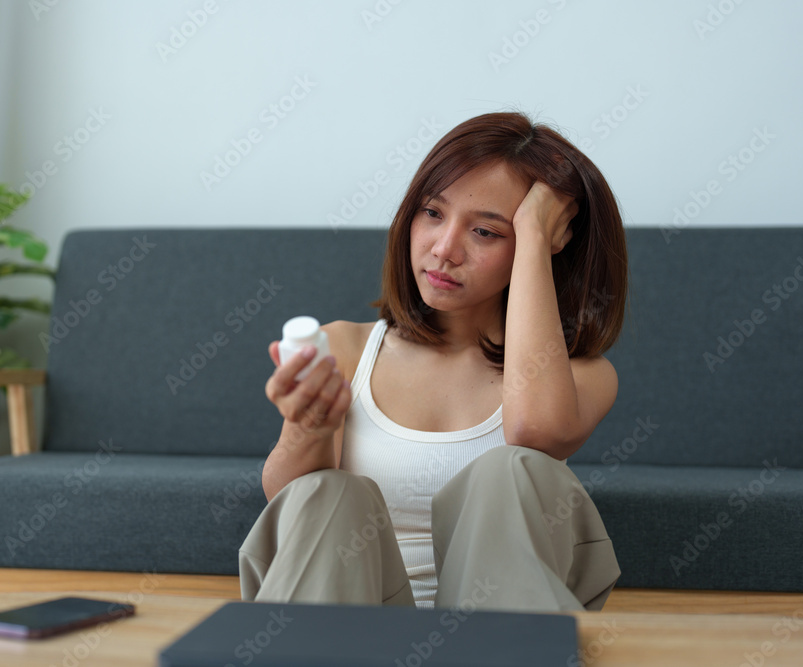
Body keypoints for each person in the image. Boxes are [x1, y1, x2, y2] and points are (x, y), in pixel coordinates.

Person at [238, 111, 628, 612]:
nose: (444, 250)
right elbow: (291, 503)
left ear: (553, 244)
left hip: (493, 628)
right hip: (356, 626)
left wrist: (532, 233)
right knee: (327, 493)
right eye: (432, 213)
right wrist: (306, 428)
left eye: (486, 232)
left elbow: (536, 433)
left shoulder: (581, 376)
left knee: (512, 469)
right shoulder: (347, 347)